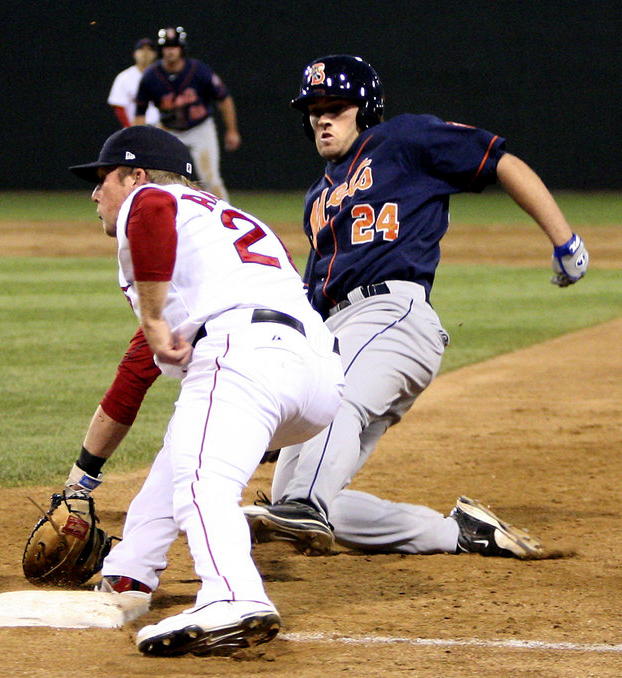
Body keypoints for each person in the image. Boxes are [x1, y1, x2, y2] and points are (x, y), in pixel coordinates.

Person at [242, 55, 589, 559]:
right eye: (313, 109)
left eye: (335, 107)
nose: (322, 118)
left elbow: (501, 161)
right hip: (339, 329)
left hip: (392, 316)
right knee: (297, 494)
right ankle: (460, 533)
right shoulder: (318, 195)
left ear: (366, 109)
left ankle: (304, 505)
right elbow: (313, 301)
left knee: (325, 438)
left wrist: (564, 240)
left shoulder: (403, 140)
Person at [67, 125, 344, 656]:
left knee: (201, 479)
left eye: (103, 179)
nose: (96, 194)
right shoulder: (225, 220)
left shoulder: (151, 199)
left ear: (137, 175)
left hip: (248, 352)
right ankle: (128, 573)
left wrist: (150, 318)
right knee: (187, 446)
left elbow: (148, 211)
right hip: (317, 376)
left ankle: (234, 594)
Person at [133, 26, 240, 201]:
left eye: (174, 46)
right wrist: (138, 140)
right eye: (167, 47)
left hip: (200, 129)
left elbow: (224, 98)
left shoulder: (199, 70)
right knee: (163, 181)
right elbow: (139, 112)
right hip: (169, 131)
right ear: (161, 50)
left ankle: (226, 218)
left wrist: (232, 130)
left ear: (182, 49)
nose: (170, 51)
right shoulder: (151, 76)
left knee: (210, 180)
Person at [106, 37, 160, 128]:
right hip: (137, 127)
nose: (145, 53)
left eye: (149, 50)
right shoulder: (124, 77)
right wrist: (130, 128)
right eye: (141, 49)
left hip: (162, 128)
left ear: (155, 54)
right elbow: (119, 106)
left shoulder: (162, 76)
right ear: (134, 54)